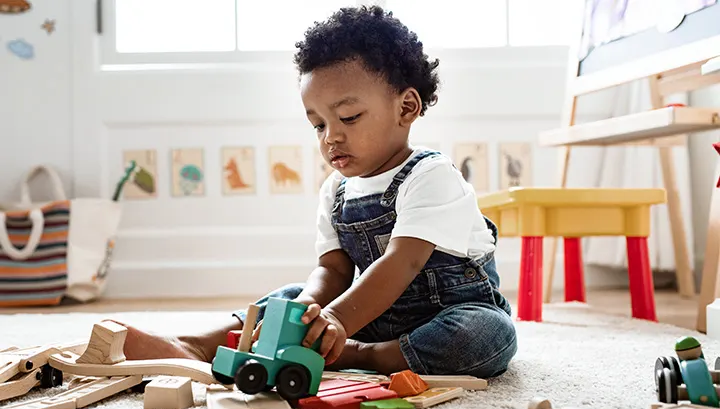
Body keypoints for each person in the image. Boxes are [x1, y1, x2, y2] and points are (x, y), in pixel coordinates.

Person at [115, 5, 517, 378]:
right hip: (368, 314)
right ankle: (196, 346)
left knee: (486, 335)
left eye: (348, 117)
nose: (331, 137)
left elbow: (401, 264)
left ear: (406, 108)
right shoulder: (336, 190)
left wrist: (339, 321)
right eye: (318, 125)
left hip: (445, 312)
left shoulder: (431, 176)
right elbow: (334, 270)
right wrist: (309, 307)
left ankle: (362, 356)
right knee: (289, 298)